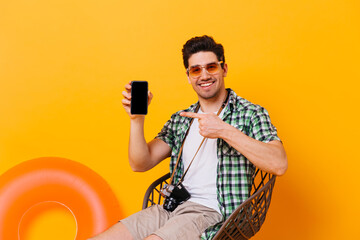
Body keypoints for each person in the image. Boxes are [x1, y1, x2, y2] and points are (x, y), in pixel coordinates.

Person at [89, 35, 287, 240]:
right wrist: (136, 119)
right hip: (170, 208)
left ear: (224, 69)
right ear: (188, 76)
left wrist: (223, 130)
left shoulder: (250, 113)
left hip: (213, 213)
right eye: (196, 70)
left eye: (211, 67)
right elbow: (140, 163)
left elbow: (279, 164)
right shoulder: (181, 119)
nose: (204, 75)